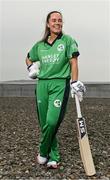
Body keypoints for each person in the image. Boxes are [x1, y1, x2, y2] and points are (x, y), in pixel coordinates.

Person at [25, 11, 86, 169]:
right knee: (44, 122)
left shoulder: (67, 41)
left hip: (60, 84)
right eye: (54, 20)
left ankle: (43, 150)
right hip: (42, 85)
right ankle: (54, 156)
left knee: (52, 122)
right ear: (48, 23)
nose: (57, 23)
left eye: (60, 20)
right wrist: (31, 68)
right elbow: (28, 57)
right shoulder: (40, 45)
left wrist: (74, 81)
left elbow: (73, 62)